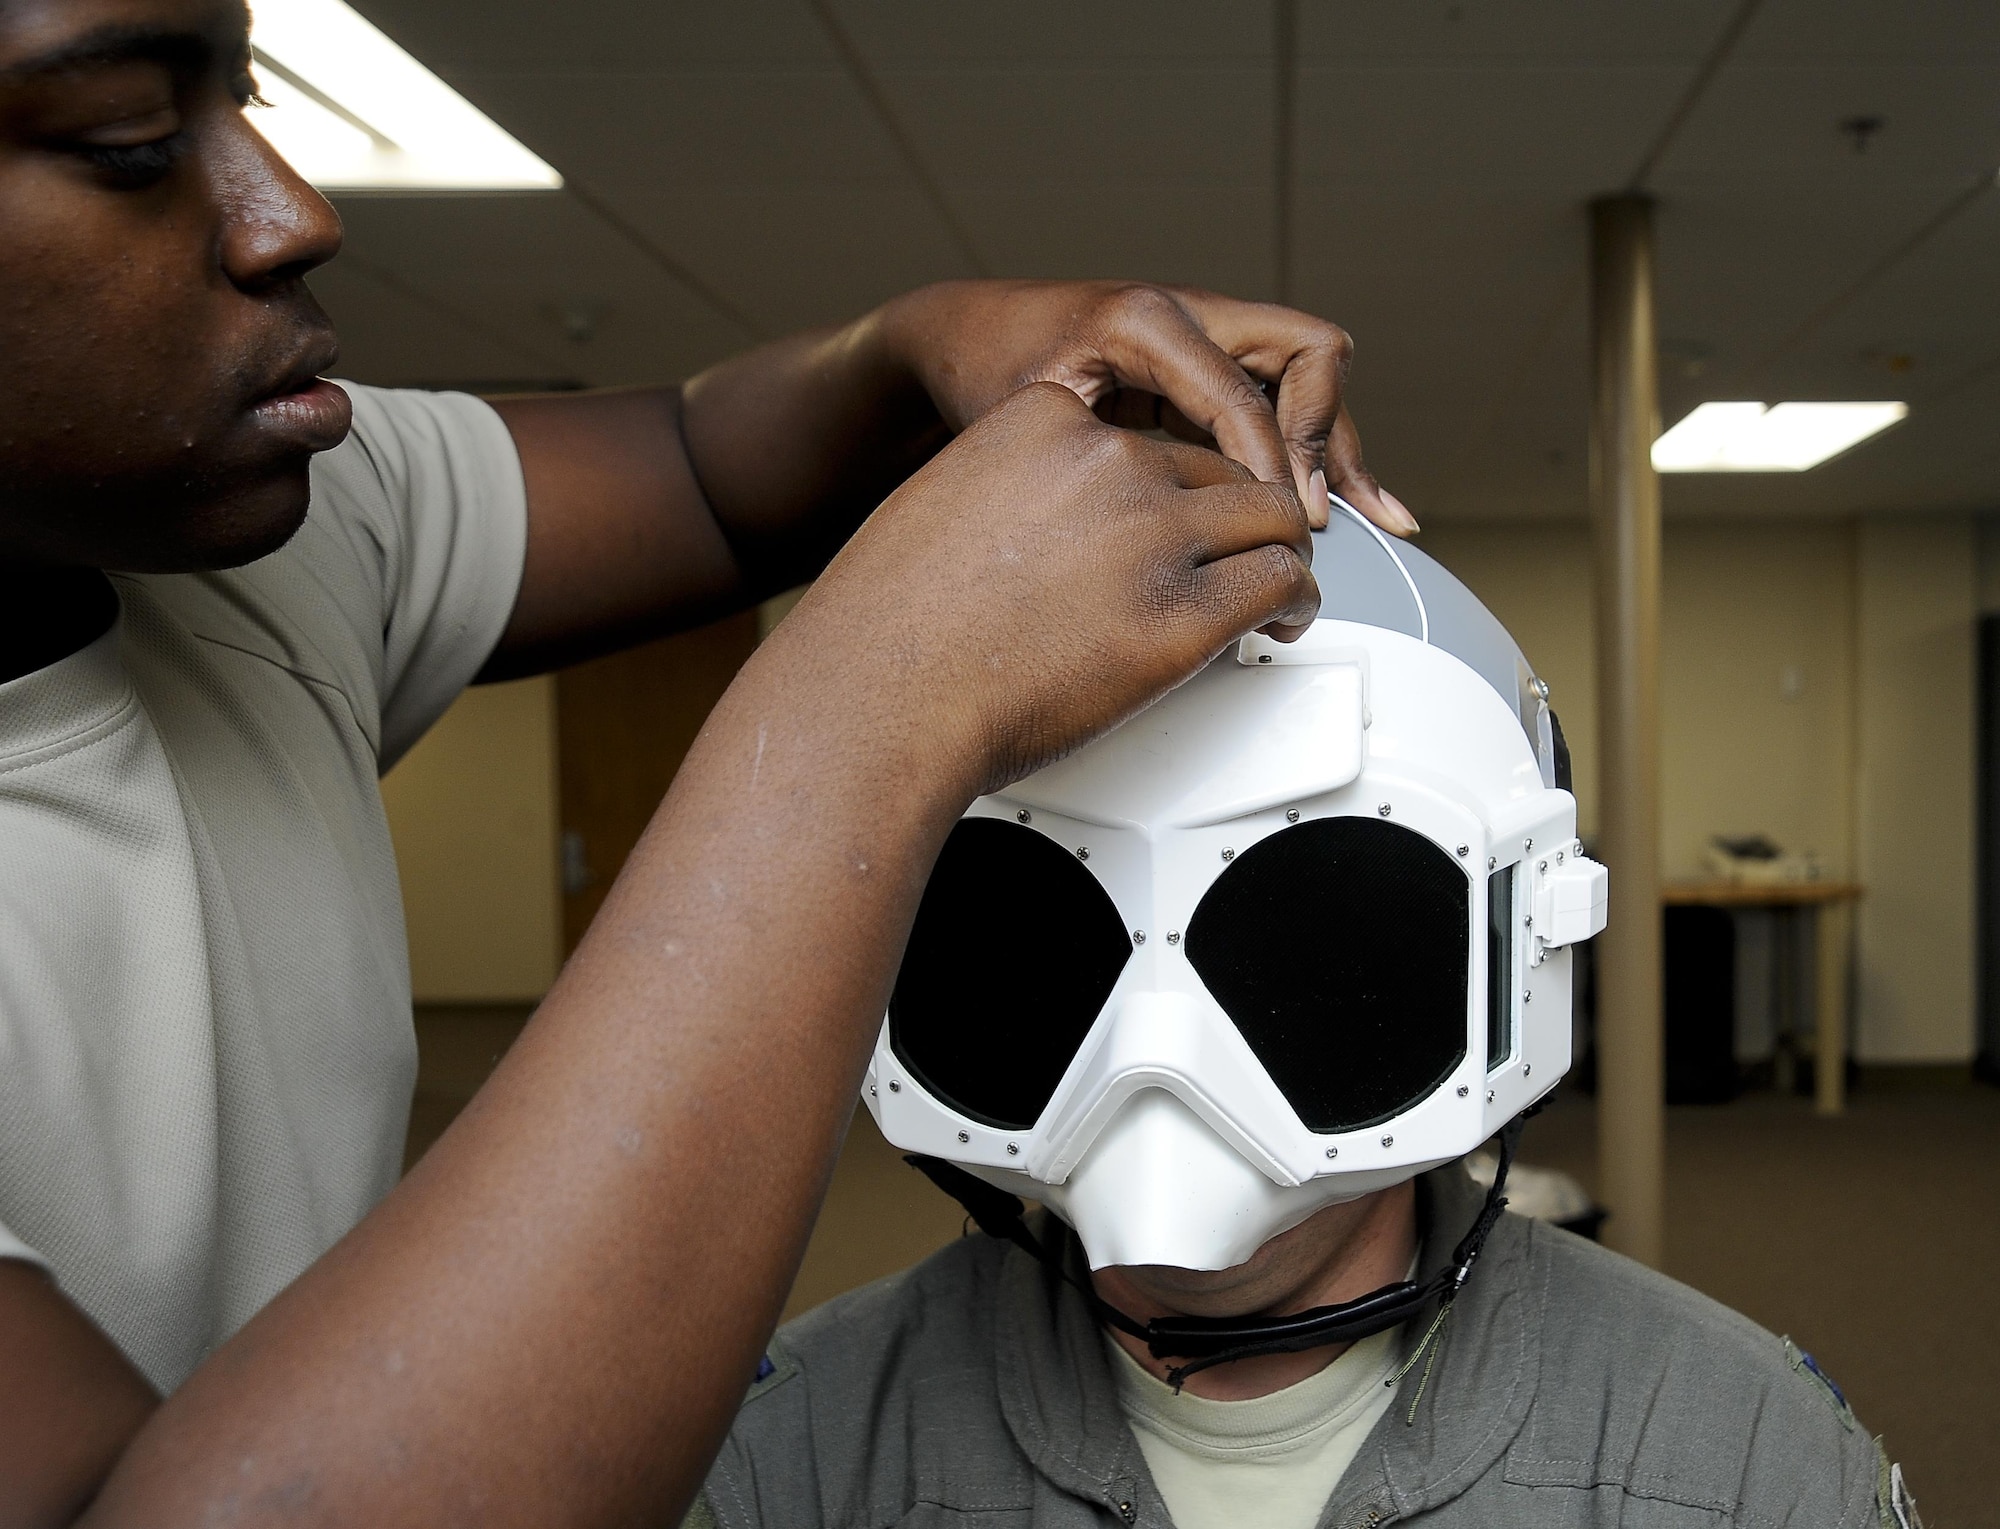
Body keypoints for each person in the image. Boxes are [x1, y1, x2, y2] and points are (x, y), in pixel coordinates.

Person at [0, 0, 1419, 1523]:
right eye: (131, 137)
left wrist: (923, 339)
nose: (297, 214)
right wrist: (874, 706)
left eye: (254, 92)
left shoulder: (279, 534)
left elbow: (697, 463)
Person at [687, 510, 1923, 1529]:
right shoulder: (771, 1458)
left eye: (1301, 948)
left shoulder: (1742, 1466)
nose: (1156, 1068)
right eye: (1052, 936)